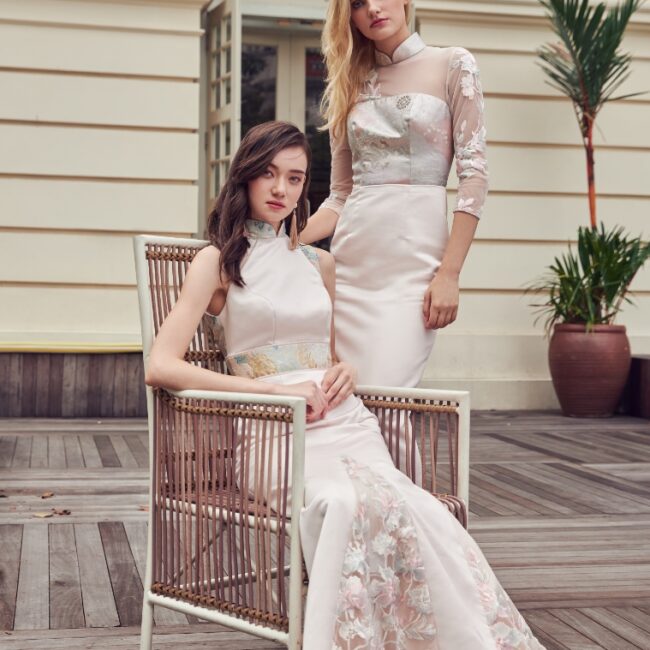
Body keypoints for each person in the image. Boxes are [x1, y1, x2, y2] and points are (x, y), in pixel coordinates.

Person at [146, 121, 543, 649]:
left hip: (347, 424)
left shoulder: (319, 263)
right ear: (244, 176)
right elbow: (160, 365)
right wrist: (272, 393)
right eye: (268, 174)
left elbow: (326, 355)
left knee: (415, 505)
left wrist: (347, 370)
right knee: (338, 501)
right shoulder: (217, 261)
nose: (281, 189)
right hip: (274, 433)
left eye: (294, 178)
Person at [301, 0, 488, 388]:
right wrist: (285, 238)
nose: (372, 9)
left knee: (389, 393)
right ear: (349, 17)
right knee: (345, 397)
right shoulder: (348, 83)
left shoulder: (453, 64)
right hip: (351, 269)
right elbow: (340, 197)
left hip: (414, 271)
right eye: (357, 4)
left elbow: (473, 178)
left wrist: (449, 274)